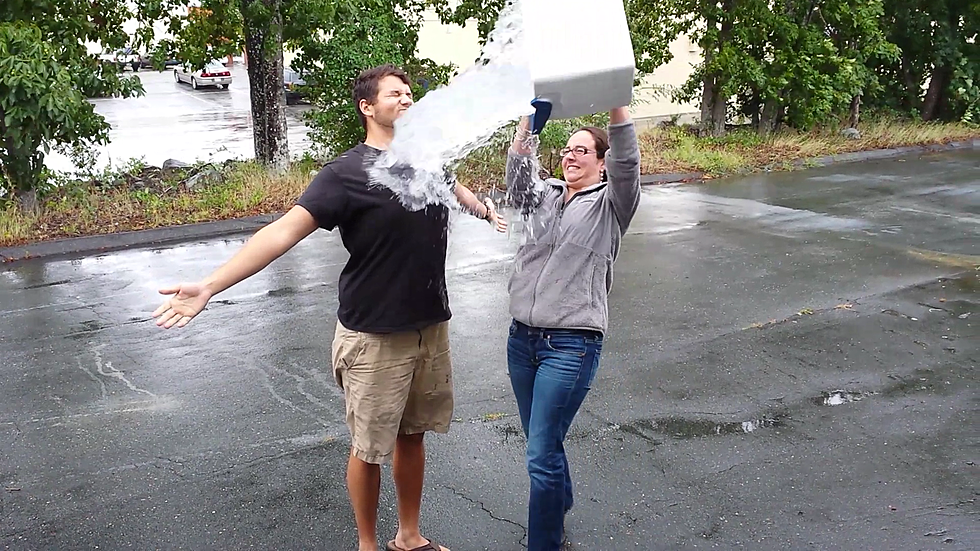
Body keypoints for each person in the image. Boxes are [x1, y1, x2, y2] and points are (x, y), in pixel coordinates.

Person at [151, 64, 506, 551]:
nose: (406, 101)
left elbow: (453, 188)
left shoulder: (427, 159)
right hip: (375, 335)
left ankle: (408, 536)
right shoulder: (346, 173)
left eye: (409, 94)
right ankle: (366, 544)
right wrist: (211, 285)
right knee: (369, 449)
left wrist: (483, 209)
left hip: (430, 326)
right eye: (394, 95)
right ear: (367, 107)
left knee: (413, 435)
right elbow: (280, 232)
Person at [504, 105, 640, 550]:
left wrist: (617, 100)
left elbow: (628, 164)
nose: (570, 155)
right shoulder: (544, 195)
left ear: (602, 163)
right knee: (542, 440)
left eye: (582, 150)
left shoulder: (611, 204)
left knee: (540, 453)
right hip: (522, 340)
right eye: (566, 149)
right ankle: (559, 502)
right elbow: (518, 171)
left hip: (571, 345)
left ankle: (544, 543)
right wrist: (531, 120)